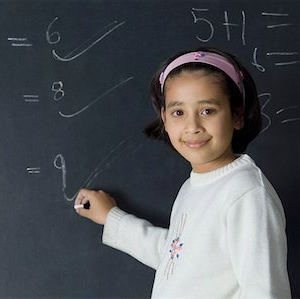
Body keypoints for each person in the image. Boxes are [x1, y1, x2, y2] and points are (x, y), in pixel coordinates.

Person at [74, 47, 291, 298]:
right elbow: (178, 259)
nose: (192, 126)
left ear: (237, 116)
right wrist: (112, 218)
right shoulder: (194, 186)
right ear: (164, 119)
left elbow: (265, 291)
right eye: (179, 112)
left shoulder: (247, 194)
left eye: (207, 111)